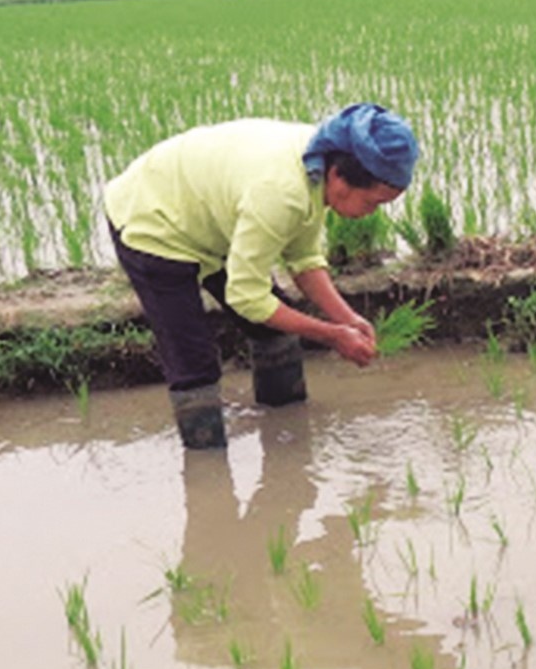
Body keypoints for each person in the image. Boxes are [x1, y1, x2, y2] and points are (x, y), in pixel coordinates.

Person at [103, 103, 419, 449]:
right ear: (340, 179)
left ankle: (287, 436)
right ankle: (207, 472)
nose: (370, 213)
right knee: (194, 361)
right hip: (155, 221)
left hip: (213, 220)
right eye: (372, 202)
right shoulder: (282, 191)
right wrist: (331, 335)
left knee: (272, 331)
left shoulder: (318, 164)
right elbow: (247, 296)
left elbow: (303, 259)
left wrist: (348, 318)